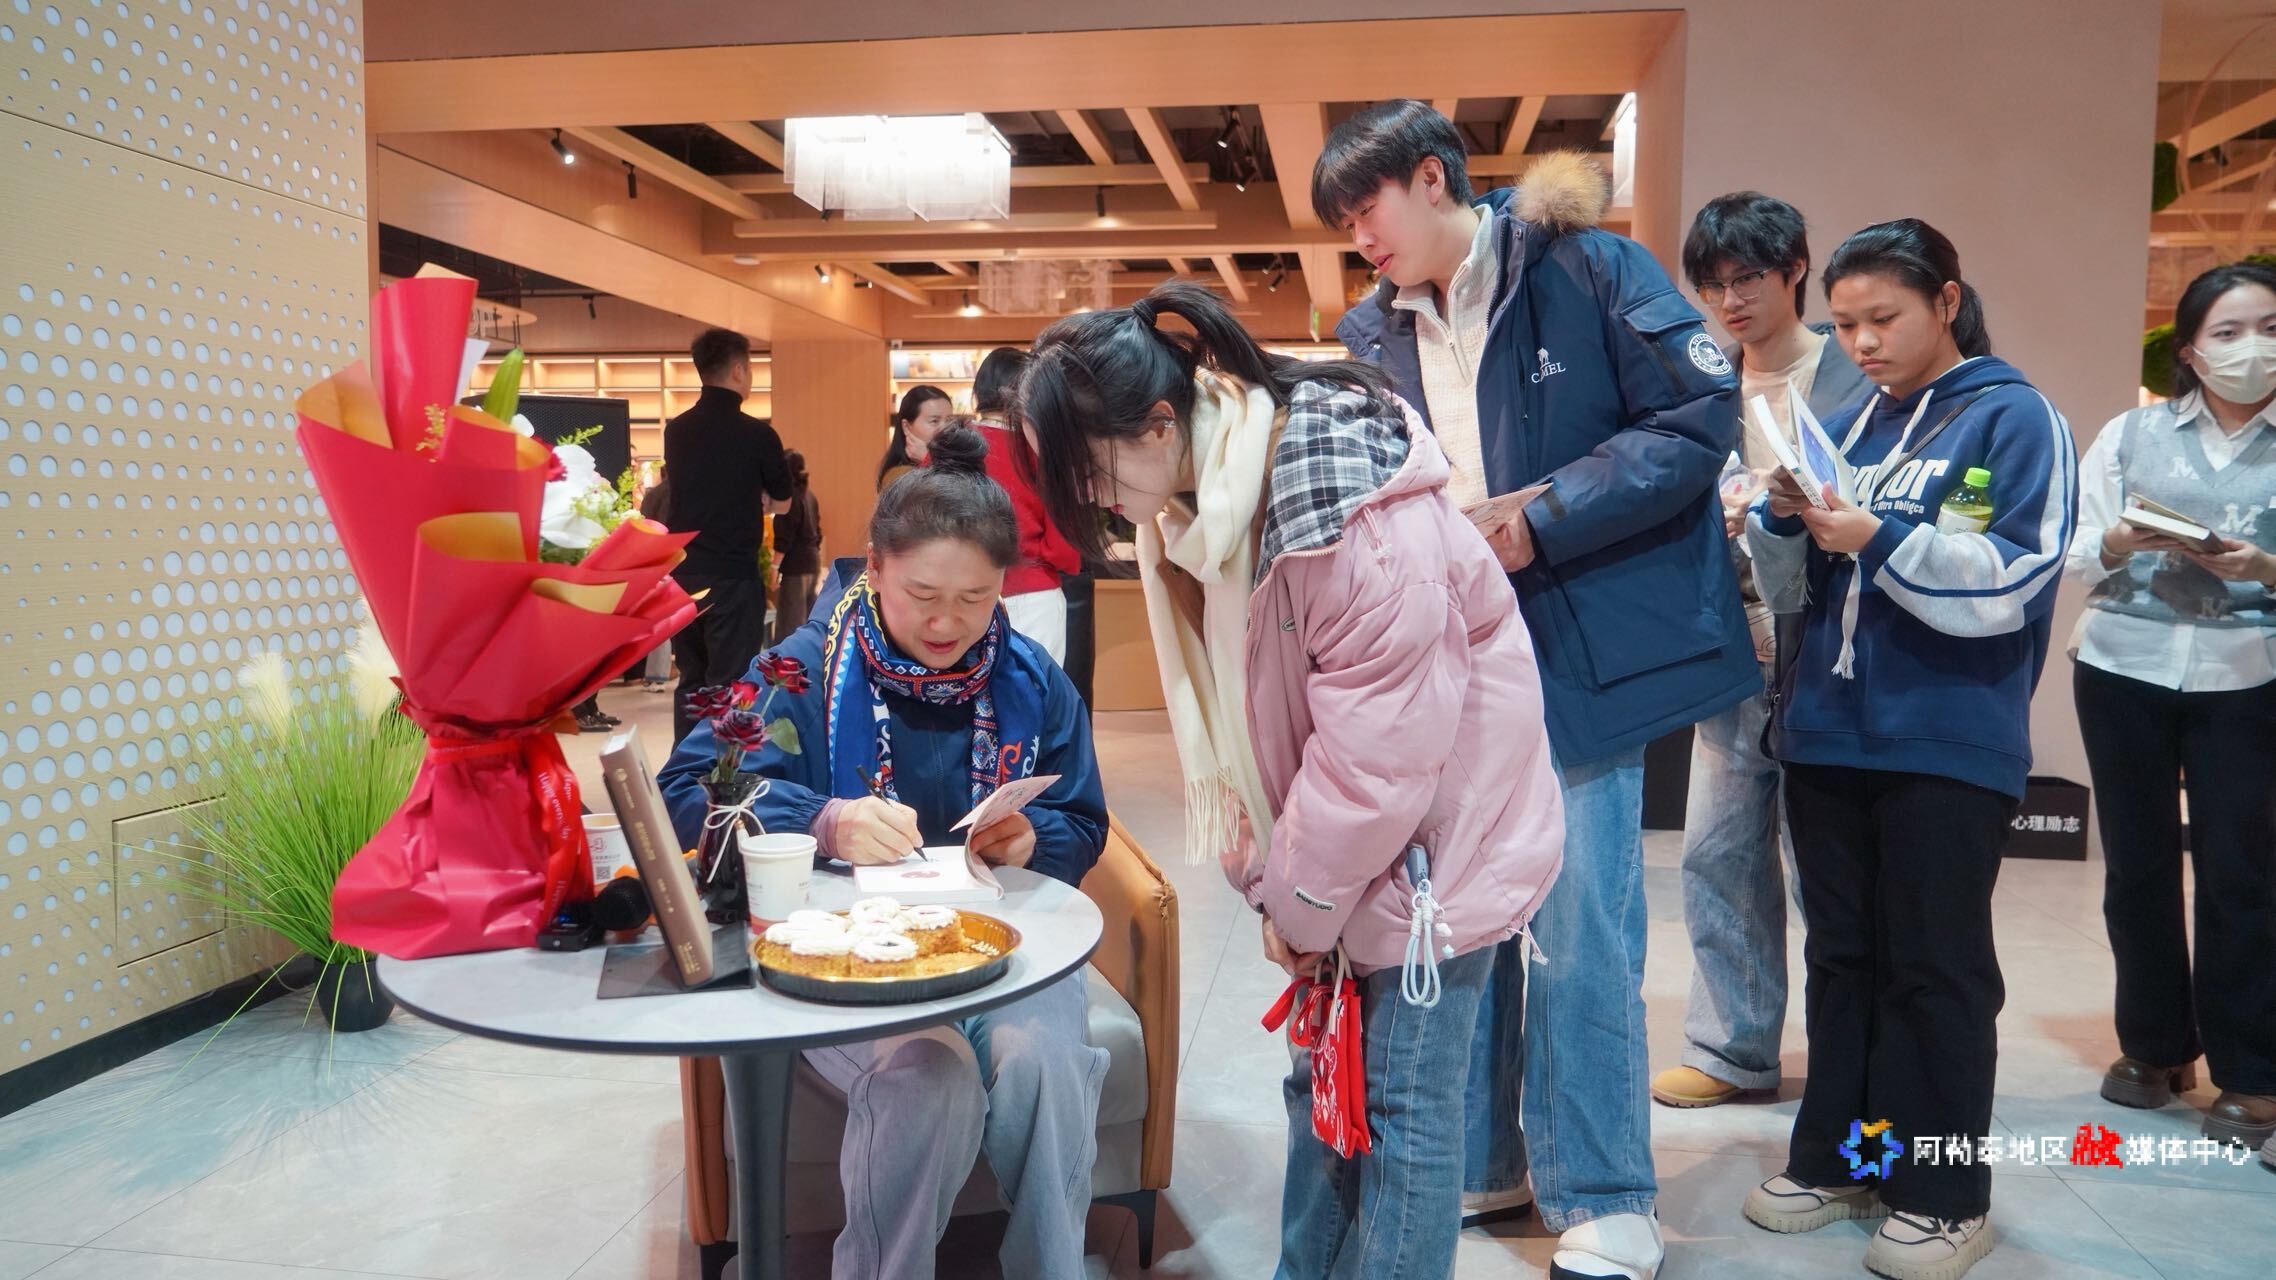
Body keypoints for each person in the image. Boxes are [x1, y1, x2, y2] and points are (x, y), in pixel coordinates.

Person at [1021, 281, 1565, 1280]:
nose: (1092, 500)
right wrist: (1285, 896)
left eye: (1091, 472)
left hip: (1434, 852)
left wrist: (1299, 907)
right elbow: (1263, 734)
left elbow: (1377, 761)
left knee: (1398, 1103)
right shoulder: (1200, 513)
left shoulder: (1348, 520)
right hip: (1351, 847)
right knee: (1321, 1084)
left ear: (1160, 424)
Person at [1319, 101, 1755, 1280]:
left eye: (1365, 206)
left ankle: (1605, 1191)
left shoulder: (1588, 266)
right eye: (1342, 220)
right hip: (1447, 660)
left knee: (1577, 923)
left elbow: (1694, 415)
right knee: (1462, 913)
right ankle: (1486, 1158)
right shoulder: (1368, 329)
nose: (1356, 235)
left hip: (1579, 644)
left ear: (1431, 178)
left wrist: (1541, 516)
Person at [659, 424, 1110, 1280]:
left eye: (975, 599)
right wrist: (822, 819)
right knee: (926, 1075)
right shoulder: (800, 672)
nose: (947, 623)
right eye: (922, 593)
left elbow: (1084, 821)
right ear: (873, 567)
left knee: (1044, 1061)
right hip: (850, 957)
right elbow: (687, 789)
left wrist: (1034, 837)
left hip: (1004, 943)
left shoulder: (1029, 676)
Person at [1742, 219, 2075, 1280]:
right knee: (1842, 959)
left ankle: (1941, 1194)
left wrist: (1877, 535)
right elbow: (1793, 589)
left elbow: (2014, 573)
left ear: (1946, 301)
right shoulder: (1848, 423)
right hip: (1827, 731)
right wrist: (1781, 519)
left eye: (1881, 318)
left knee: (1934, 965)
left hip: (1945, 737)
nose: (1862, 343)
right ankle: (1848, 1162)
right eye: (1844, 325)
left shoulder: (2012, 417)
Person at [1653, 192, 1873, 1111]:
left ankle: (1854, 1059)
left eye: (1747, 279)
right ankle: (1732, 1048)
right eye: (1711, 287)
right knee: (1718, 849)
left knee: (1827, 862)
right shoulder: (1701, 390)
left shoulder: (1853, 375)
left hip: (1827, 639)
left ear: (1794, 270)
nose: (1730, 302)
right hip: (1731, 642)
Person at [2066, 260, 2276, 1151]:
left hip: (2249, 673)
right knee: (2137, 866)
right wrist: (2122, 539)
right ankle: (2154, 1046)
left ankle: (2252, 1071)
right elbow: (2076, 551)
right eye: (2229, 333)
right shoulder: (2130, 433)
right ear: (2189, 350)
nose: (2253, 349)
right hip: (2123, 664)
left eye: (2270, 328)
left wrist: (2264, 567)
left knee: (2243, 873)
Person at [663, 327, 794, 741]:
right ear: (738, 370)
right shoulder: (758, 434)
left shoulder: (676, 430)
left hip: (684, 576)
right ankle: (722, 768)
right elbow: (784, 501)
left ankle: (684, 765)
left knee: (691, 680)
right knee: (730, 681)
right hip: (733, 577)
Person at [970, 347, 1082, 663]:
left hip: (964, 592)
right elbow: (1063, 546)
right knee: (1038, 686)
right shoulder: (1044, 452)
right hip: (1035, 593)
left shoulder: (947, 448)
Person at [770, 448, 824, 644]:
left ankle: (789, 664)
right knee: (809, 624)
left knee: (790, 628)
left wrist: (774, 568)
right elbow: (818, 531)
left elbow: (784, 538)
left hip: (795, 567)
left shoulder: (788, 499)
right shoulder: (810, 496)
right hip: (812, 563)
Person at [636, 465, 674, 690]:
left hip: (654, 558)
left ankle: (654, 674)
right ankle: (660, 673)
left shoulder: (652, 496)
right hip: (678, 557)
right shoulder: (681, 492)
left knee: (659, 617)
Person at [878, 384, 952, 490]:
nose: (945, 428)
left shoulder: (954, 459)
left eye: (949, 420)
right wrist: (928, 460)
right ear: (906, 427)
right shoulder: (898, 475)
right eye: (934, 421)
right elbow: (949, 495)